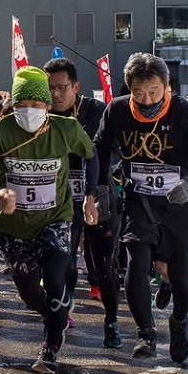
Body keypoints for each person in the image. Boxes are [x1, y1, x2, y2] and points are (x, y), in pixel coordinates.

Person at [91, 54, 188, 365]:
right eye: (139, 93)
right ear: (129, 89)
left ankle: (179, 323)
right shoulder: (117, 110)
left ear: (166, 87)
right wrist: (100, 190)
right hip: (139, 199)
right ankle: (145, 333)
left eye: (154, 92)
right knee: (136, 259)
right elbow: (99, 148)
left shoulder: (183, 111)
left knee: (179, 272)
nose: (147, 100)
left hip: (178, 202)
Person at [0, 66, 96, 372]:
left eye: (36, 105)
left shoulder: (65, 128)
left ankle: (50, 349)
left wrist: (94, 192)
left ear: (48, 105)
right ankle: (55, 313)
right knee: (29, 290)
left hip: (55, 218)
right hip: (14, 227)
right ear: (13, 105)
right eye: (22, 105)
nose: (30, 111)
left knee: (55, 275)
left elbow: (92, 155)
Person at [46, 59, 122, 347]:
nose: (55, 94)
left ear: (75, 86)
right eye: (50, 88)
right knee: (63, 261)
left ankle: (111, 321)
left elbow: (113, 152)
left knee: (104, 264)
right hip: (61, 198)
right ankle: (63, 312)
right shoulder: (44, 114)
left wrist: (96, 184)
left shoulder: (96, 111)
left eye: (62, 87)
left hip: (99, 194)